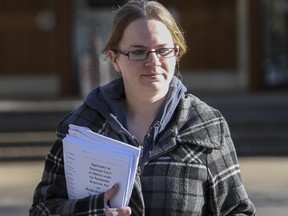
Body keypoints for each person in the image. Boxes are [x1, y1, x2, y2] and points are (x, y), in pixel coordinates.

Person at [29, 0, 256, 215]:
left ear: (177, 53)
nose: (153, 61)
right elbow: (41, 210)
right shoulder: (81, 126)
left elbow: (237, 210)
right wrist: (95, 210)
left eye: (163, 50)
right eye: (138, 52)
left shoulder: (205, 124)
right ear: (114, 59)